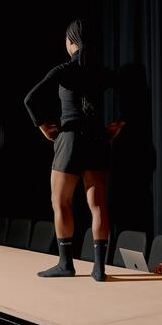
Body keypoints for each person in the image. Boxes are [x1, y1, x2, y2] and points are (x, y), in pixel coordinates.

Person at [24, 19, 124, 281]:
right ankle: (99, 268)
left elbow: (30, 99)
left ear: (71, 42)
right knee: (98, 205)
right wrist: (118, 124)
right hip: (96, 139)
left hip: (69, 139)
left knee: (61, 202)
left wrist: (43, 125)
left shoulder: (64, 69)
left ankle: (66, 264)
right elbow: (129, 93)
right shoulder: (102, 71)